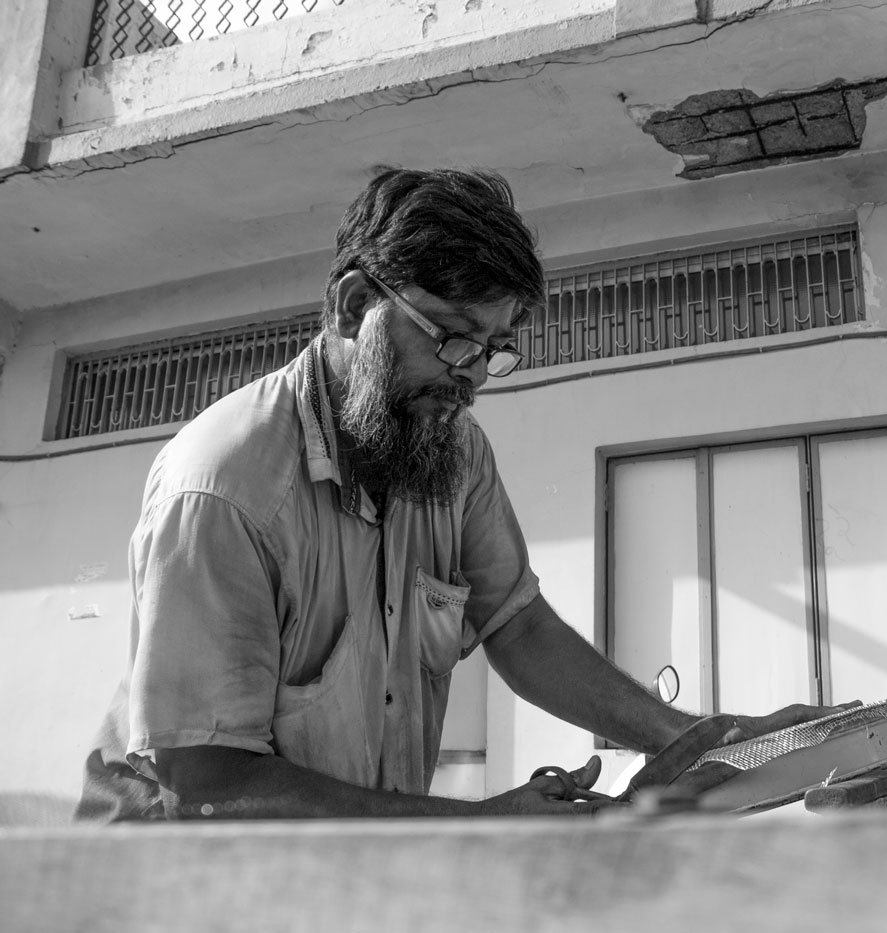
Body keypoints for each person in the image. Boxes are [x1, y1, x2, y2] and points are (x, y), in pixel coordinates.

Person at [75, 167, 841, 821]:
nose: (469, 379)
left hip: (334, 874)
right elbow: (206, 784)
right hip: (165, 887)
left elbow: (518, 625)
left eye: (492, 350)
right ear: (352, 306)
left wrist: (690, 738)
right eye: (450, 338)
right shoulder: (223, 488)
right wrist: (483, 829)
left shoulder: (451, 451)